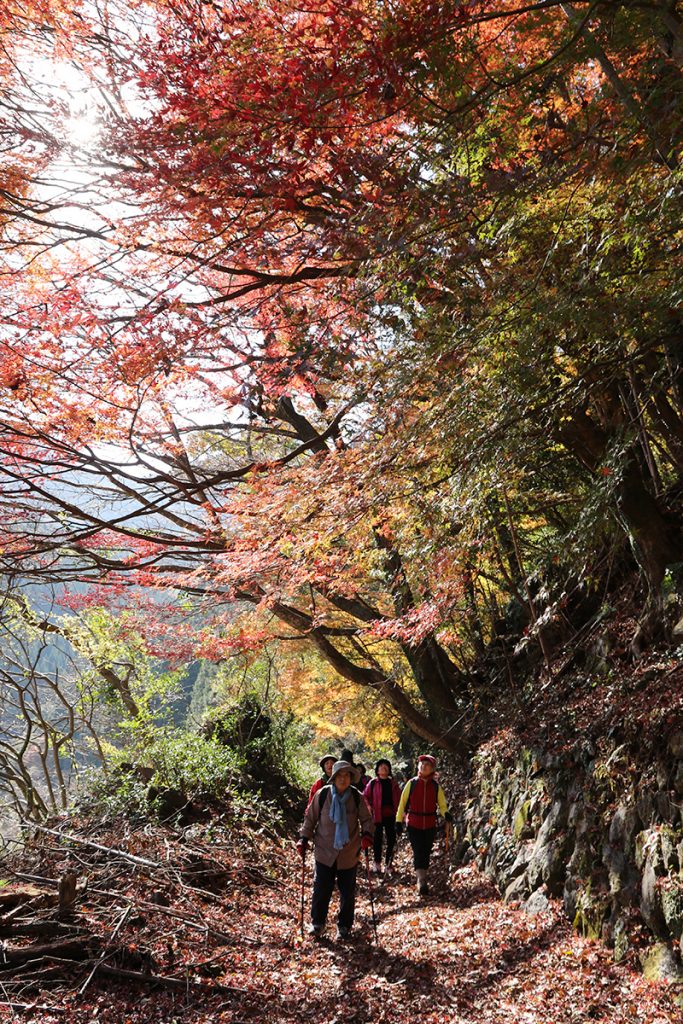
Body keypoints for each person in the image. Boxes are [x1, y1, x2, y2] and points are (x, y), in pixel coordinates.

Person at [297, 760, 374, 940]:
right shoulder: (322, 795)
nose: (343, 779)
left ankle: (344, 926)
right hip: (324, 850)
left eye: (347, 775)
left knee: (347, 892)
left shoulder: (356, 797)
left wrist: (368, 835)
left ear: (351, 778)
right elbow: (310, 819)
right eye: (339, 775)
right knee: (321, 888)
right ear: (334, 777)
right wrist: (303, 839)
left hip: (349, 852)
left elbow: (367, 819)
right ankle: (317, 923)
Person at [396, 754, 453, 896]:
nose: (423, 766)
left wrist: (446, 814)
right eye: (422, 764)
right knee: (418, 851)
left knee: (426, 851)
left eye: (427, 765)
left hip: (429, 824)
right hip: (414, 823)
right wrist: (398, 821)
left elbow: (442, 804)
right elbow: (402, 803)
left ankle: (423, 877)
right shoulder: (412, 783)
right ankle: (421, 880)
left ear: (432, 769)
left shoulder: (435, 786)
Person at [363, 759, 401, 877]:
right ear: (377, 770)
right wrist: (369, 807)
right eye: (381, 766)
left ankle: (388, 864)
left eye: (386, 766)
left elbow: (400, 799)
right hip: (377, 816)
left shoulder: (393, 784)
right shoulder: (373, 783)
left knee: (391, 839)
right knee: (377, 840)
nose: (384, 768)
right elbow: (365, 796)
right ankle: (377, 862)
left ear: (389, 769)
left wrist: (402, 814)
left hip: (391, 816)